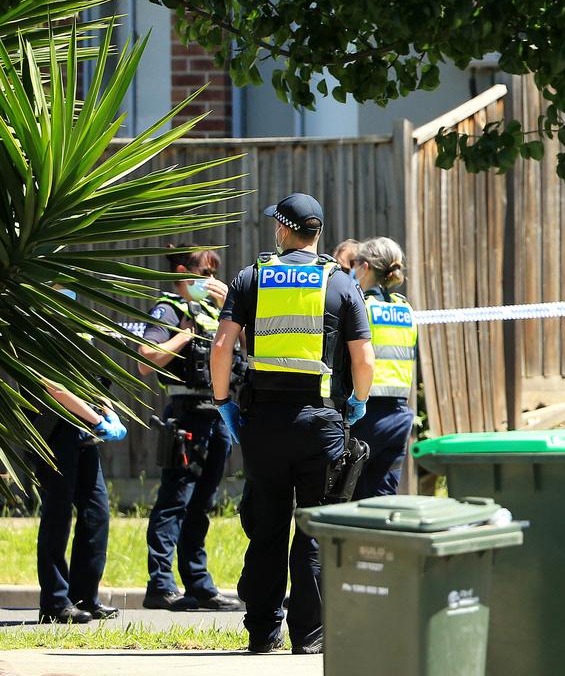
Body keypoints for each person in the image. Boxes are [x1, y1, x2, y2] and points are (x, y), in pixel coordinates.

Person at [211, 192, 374, 654]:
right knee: (312, 531)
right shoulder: (341, 283)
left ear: (282, 230)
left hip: (263, 421)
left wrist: (224, 401)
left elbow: (222, 348)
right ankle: (310, 636)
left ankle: (262, 633)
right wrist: (358, 403)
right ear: (317, 232)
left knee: (267, 527)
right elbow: (363, 358)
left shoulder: (251, 277)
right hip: (321, 422)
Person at [136, 247, 240, 612]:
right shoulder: (168, 309)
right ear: (182, 272)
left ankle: (198, 584)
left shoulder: (217, 310)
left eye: (215, 274)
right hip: (186, 416)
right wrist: (182, 337)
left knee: (203, 503)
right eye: (203, 274)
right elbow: (145, 361)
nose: (210, 282)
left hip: (218, 415)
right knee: (174, 501)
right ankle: (160, 584)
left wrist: (234, 306)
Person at [34, 381, 127, 624]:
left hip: (85, 430)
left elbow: (93, 384)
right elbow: (54, 387)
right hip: (53, 431)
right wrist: (97, 420)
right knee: (58, 515)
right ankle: (54, 603)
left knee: (97, 513)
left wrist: (110, 414)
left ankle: (85, 597)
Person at [350, 238, 417, 499]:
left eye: (355, 265)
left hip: (365, 414)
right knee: (382, 499)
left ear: (365, 267)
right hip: (399, 415)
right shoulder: (405, 309)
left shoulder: (362, 307)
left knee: (346, 497)